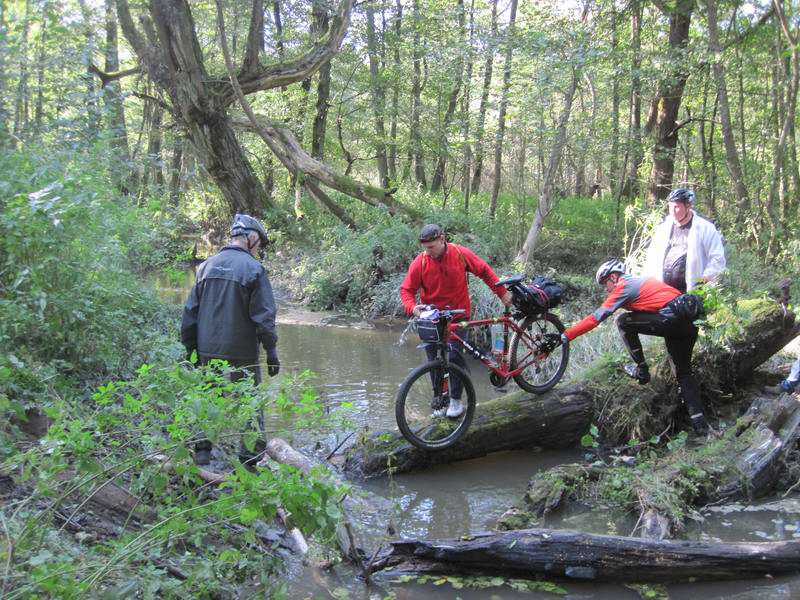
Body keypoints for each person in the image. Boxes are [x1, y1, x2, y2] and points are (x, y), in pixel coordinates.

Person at [545, 259, 713, 435]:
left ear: (613, 277)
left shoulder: (624, 286)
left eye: (605, 283)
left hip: (671, 320)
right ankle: (701, 426)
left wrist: (564, 337)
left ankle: (642, 370)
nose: (605, 289)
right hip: (688, 321)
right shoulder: (643, 282)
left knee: (623, 321)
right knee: (684, 374)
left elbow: (595, 319)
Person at [181, 214, 280, 466]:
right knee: (250, 400)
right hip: (242, 351)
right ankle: (250, 458)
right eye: (260, 244)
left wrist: (190, 349)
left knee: (208, 395)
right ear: (251, 238)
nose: (259, 250)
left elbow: (190, 313)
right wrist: (271, 351)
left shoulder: (205, 267)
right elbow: (264, 318)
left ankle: (202, 450)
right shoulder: (255, 270)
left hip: (207, 348)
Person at [400, 224, 513, 418]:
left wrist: (502, 293)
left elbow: (484, 271)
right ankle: (439, 401)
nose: (428, 251)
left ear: (442, 239)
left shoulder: (460, 253)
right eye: (425, 248)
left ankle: (455, 400)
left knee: (453, 356)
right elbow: (406, 290)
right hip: (432, 319)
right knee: (434, 360)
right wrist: (413, 307)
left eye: (432, 247)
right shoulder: (421, 262)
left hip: (459, 315)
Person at [642, 188, 726, 293]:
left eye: (676, 207)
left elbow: (717, 259)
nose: (672, 210)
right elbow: (651, 259)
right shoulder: (663, 229)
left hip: (692, 292)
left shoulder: (705, 228)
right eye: (670, 206)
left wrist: (705, 280)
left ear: (688, 206)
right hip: (663, 292)